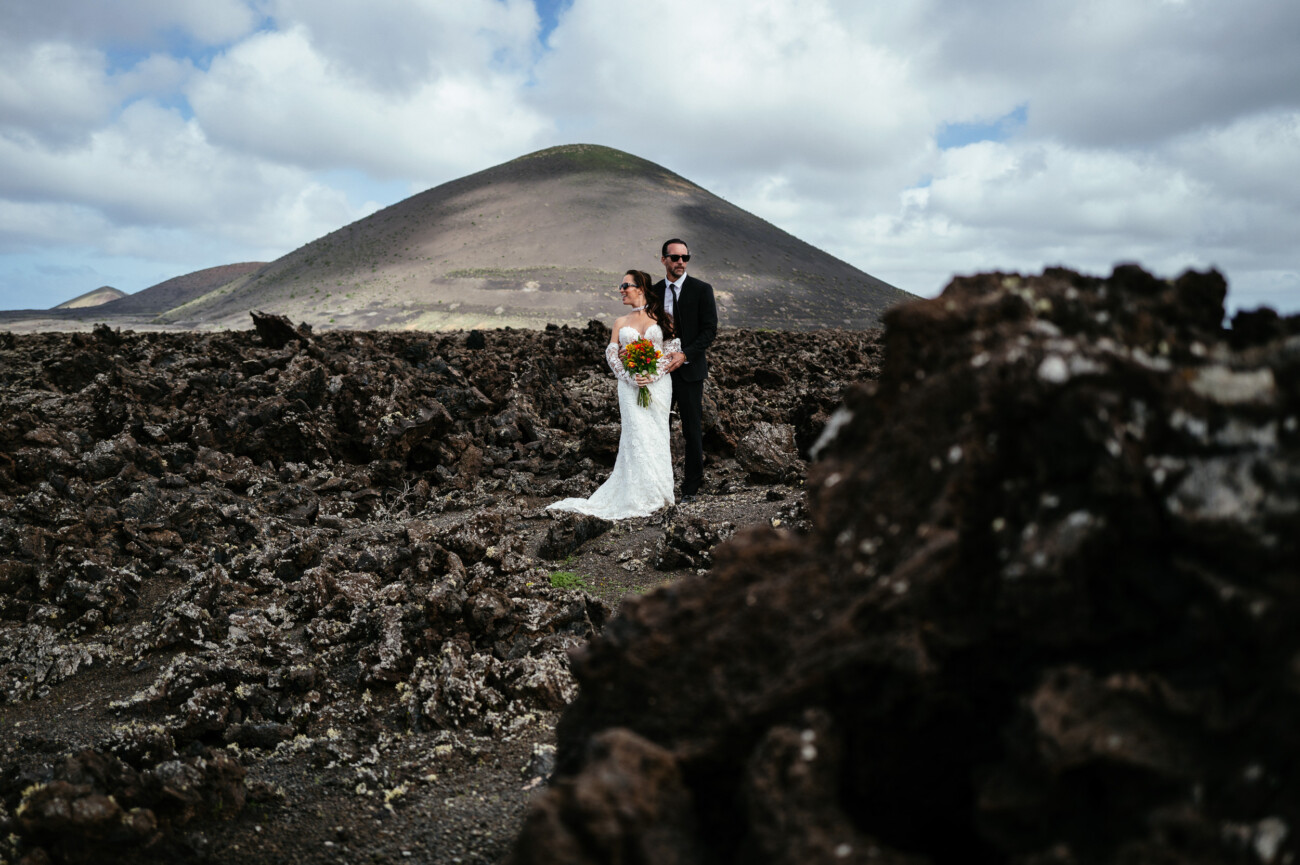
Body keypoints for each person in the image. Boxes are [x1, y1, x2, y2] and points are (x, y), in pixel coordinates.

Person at [548, 270, 681, 519]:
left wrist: (651, 375)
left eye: (625, 285)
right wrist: (631, 377)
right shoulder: (620, 322)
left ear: (640, 288)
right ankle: (638, 494)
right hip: (629, 387)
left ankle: (660, 492)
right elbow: (611, 354)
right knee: (636, 435)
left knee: (657, 435)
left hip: (658, 385)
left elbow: (672, 351)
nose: (621, 289)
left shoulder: (664, 317)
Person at [654, 238, 718, 501]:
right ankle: (660, 485)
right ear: (664, 260)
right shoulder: (654, 292)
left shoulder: (702, 290)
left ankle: (692, 486)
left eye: (685, 258)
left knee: (692, 429)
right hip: (661, 373)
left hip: (690, 371)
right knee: (660, 428)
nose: (681, 262)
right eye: (676, 257)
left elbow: (709, 330)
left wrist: (686, 355)